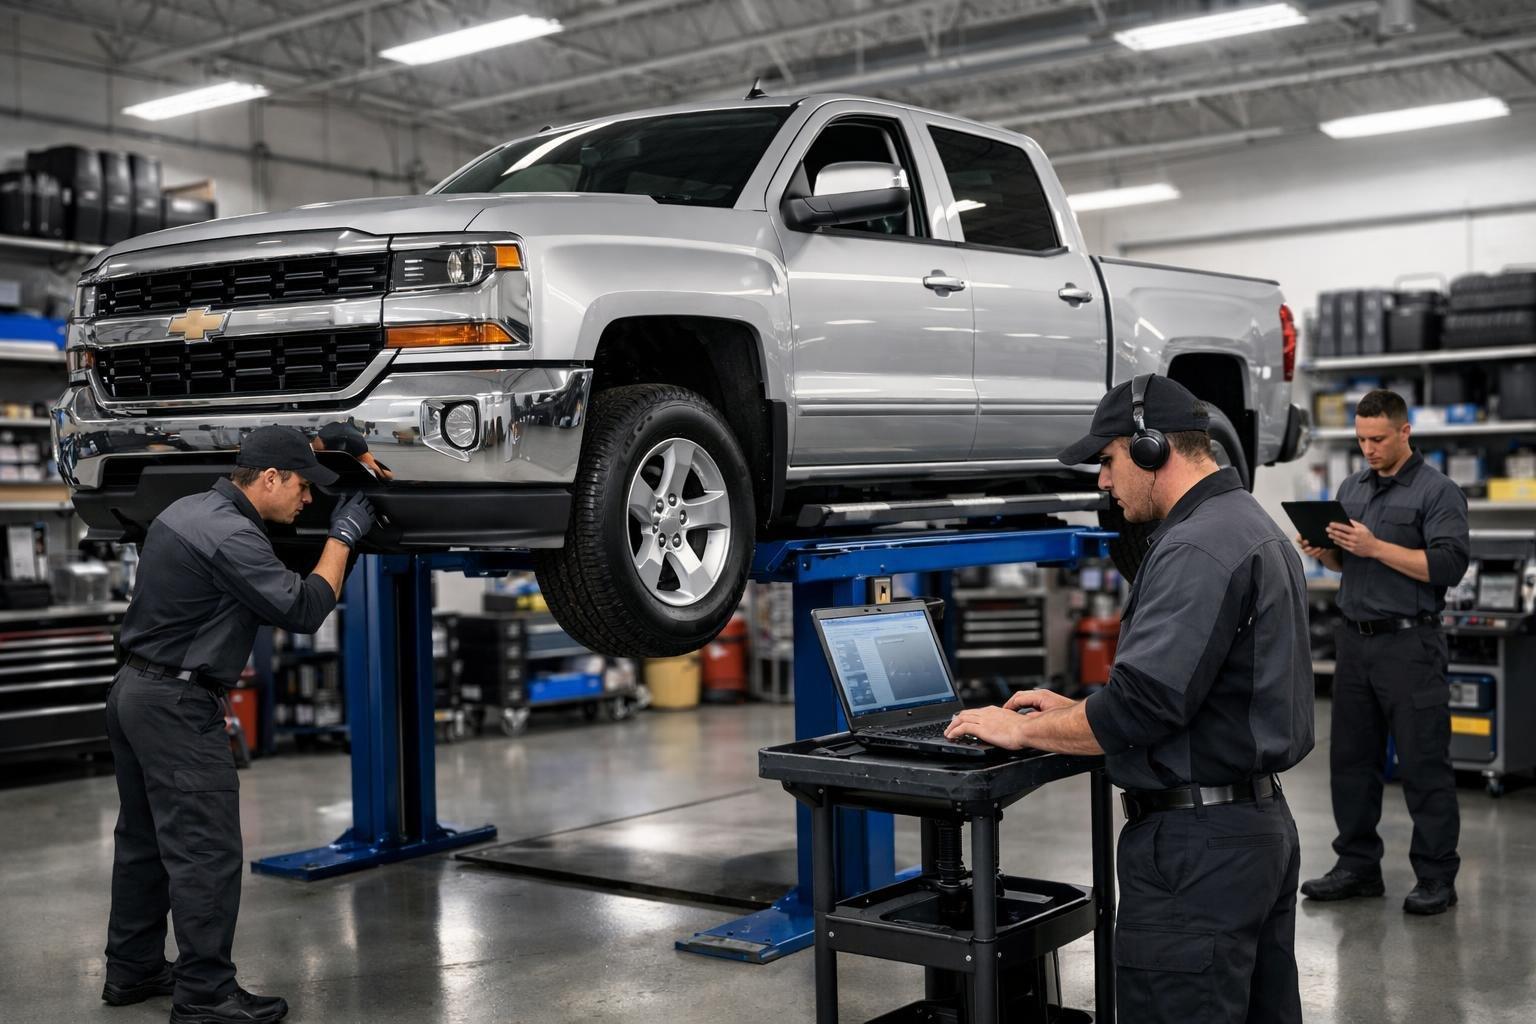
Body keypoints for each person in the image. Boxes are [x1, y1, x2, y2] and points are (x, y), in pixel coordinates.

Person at [945, 374, 1314, 1024]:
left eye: (1108, 461)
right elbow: (1204, 693)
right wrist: (1068, 713)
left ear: (1151, 449)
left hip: (1196, 856)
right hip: (1253, 833)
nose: (1103, 483)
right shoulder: (1250, 524)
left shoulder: (1197, 545)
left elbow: (1144, 704)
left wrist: (1024, 732)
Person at [101, 425, 376, 1024]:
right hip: (176, 706)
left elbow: (266, 572)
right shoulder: (231, 537)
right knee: (206, 852)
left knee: (144, 843)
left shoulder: (189, 510)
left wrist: (339, 449)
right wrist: (344, 537)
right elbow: (304, 609)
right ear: (269, 479)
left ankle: (133, 968)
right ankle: (204, 996)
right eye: (303, 487)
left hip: (133, 692)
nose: (308, 500)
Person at [1297, 388, 1469, 915]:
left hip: (1410, 645)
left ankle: (1437, 876)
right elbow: (1349, 566)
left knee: (1423, 764)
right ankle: (1357, 866)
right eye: (1361, 439)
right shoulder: (1352, 486)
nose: (1368, 448)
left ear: (1404, 432)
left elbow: (1447, 568)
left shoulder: (1438, 492)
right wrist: (1326, 551)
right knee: (1351, 762)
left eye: (1377, 439)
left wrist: (1375, 546)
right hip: (1356, 644)